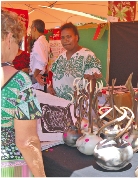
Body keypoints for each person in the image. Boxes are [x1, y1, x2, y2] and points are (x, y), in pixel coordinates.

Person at [1, 9, 46, 177]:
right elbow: (26, 141)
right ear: (8, 38)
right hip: (8, 168)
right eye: (18, 41)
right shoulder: (19, 81)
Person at [47, 22, 102, 100]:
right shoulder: (60, 57)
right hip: (59, 105)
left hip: (77, 106)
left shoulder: (88, 55)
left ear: (76, 37)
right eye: (62, 37)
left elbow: (91, 84)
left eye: (68, 36)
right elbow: (56, 78)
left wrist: (85, 103)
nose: (65, 40)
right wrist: (50, 88)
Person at [29, 19, 50, 92]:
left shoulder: (38, 42)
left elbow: (42, 61)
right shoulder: (45, 41)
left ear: (34, 28)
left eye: (31, 28)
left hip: (37, 78)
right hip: (40, 76)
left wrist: (35, 75)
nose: (30, 32)